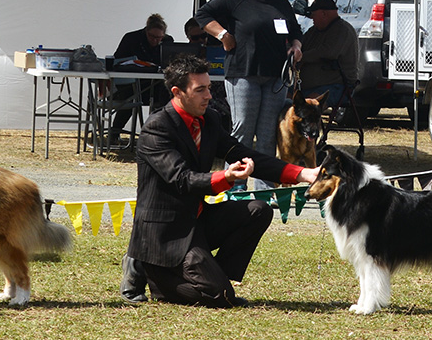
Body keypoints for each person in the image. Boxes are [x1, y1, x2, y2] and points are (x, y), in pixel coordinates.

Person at [120, 54, 318, 307]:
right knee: (221, 297)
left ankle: (213, 278)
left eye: (209, 88)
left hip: (197, 221)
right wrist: (225, 177)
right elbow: (182, 180)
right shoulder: (156, 128)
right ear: (177, 92)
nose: (209, 96)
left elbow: (245, 153)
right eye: (200, 90)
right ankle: (154, 275)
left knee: (258, 210)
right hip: (166, 234)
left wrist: (304, 174)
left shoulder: (209, 119)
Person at [194, 0, 303, 192]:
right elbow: (202, 14)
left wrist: (296, 46)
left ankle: (264, 186)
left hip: (275, 77)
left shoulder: (281, 0)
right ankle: (234, 184)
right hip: (243, 73)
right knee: (243, 130)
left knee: (266, 135)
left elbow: (296, 32)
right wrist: (223, 34)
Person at [108, 13, 174, 146]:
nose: (156, 40)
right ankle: (114, 133)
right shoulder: (131, 38)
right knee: (130, 97)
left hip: (155, 84)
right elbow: (117, 61)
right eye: (152, 36)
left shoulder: (167, 41)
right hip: (129, 84)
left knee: (166, 95)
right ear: (146, 31)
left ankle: (159, 135)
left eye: (159, 38)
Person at [298, 0, 358, 108]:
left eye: (314, 15)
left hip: (336, 86)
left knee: (310, 106)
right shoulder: (313, 31)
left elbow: (328, 52)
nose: (312, 19)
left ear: (323, 14)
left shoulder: (343, 30)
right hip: (308, 85)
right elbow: (301, 45)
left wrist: (301, 57)